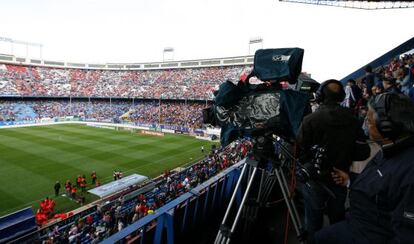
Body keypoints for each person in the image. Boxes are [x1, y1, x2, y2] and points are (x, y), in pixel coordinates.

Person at [316, 93, 414, 244]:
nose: (365, 125)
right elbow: (384, 185)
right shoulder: (391, 148)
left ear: (386, 127)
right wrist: (350, 180)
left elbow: (406, 236)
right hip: (361, 223)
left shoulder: (409, 172)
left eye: (368, 120)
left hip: (369, 234)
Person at [297, 79, 369, 243]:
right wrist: (344, 154)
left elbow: (300, 150)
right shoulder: (352, 118)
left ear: (320, 96)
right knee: (338, 219)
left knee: (313, 223)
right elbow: (363, 151)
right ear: (341, 96)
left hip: (314, 181)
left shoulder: (310, 120)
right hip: (341, 178)